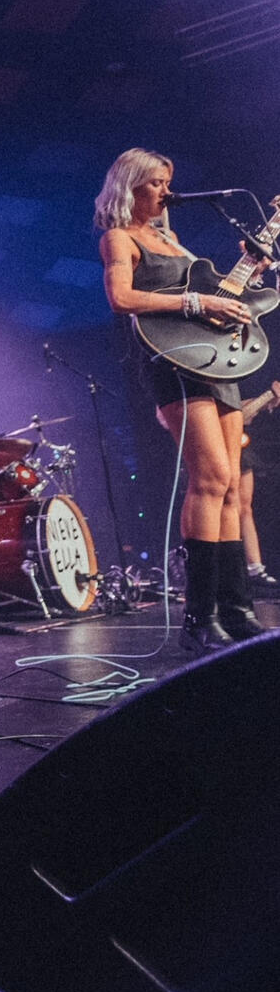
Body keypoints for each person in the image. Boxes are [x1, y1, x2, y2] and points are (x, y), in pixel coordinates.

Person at [96, 148, 265, 651]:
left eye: (169, 181)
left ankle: (237, 611)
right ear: (130, 187)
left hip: (217, 364)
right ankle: (199, 616)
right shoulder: (118, 238)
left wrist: (247, 273)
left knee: (232, 485)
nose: (166, 191)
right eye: (155, 183)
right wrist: (196, 300)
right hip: (173, 364)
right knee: (209, 477)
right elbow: (121, 299)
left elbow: (214, 293)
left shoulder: (171, 239)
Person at [240, 379, 280, 592]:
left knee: (244, 507)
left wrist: (266, 400)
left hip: (238, 443)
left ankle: (255, 569)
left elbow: (240, 410)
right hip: (213, 440)